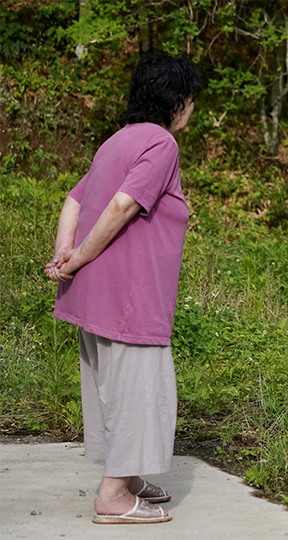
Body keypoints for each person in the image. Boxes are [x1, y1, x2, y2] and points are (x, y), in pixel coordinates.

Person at [44, 55, 200, 524]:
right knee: (141, 391)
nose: (192, 110)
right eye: (191, 101)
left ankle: (127, 478)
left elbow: (74, 198)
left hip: (95, 294)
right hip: (130, 297)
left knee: (110, 388)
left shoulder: (116, 141)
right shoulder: (161, 142)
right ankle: (112, 498)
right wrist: (81, 257)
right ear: (177, 103)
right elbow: (121, 205)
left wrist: (65, 256)